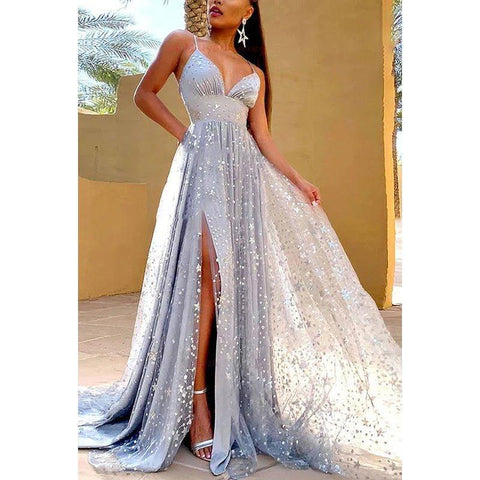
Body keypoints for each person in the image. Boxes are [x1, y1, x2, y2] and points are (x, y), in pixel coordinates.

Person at [78, 1, 402, 479]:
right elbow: (144, 95)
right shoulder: (183, 44)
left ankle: (231, 391)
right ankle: (197, 401)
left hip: (244, 178)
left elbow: (262, 136)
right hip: (202, 169)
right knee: (207, 273)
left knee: (233, 282)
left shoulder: (255, 73)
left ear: (248, 10)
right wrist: (186, 135)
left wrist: (297, 179)